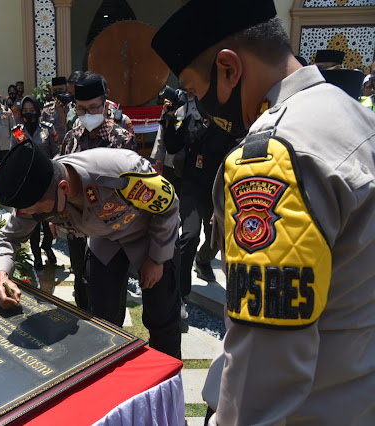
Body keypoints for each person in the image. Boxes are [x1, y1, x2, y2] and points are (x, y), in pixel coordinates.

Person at [152, 0, 375, 423]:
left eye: (197, 92)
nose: (199, 106)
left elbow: (263, 363)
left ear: (229, 69)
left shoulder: (272, 155)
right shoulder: (350, 111)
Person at [0, 140, 182, 358]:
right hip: (105, 240)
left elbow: (168, 206)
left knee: (162, 317)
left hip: (150, 235)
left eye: (41, 214)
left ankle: (166, 381)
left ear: (64, 188)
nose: (37, 219)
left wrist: (157, 259)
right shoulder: (37, 192)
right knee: (101, 320)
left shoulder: (121, 172)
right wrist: (1, 276)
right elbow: (9, 238)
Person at [60, 79, 137, 311]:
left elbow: (132, 192)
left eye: (94, 107)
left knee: (109, 298)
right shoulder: (70, 139)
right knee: (82, 290)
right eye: (81, 109)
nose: (88, 113)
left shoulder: (122, 140)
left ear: (106, 104)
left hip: (111, 234)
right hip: (77, 231)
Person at [161, 95, 236, 315]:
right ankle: (181, 294)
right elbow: (173, 146)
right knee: (190, 236)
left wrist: (224, 202)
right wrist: (168, 119)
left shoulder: (228, 131)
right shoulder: (191, 121)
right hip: (191, 188)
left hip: (215, 193)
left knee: (216, 238)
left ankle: (202, 261)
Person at [12, 95, 59, 271]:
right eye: (25, 111)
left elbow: (56, 153)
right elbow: (13, 156)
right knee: (33, 223)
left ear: (38, 111)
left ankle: (47, 246)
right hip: (27, 185)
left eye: (32, 111)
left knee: (49, 221)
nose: (29, 114)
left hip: (47, 183)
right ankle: (37, 256)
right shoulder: (17, 132)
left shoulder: (48, 128)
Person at [41, 76, 74, 142]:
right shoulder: (47, 109)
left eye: (60, 89)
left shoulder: (73, 108)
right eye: (55, 90)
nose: (58, 92)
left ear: (66, 90)